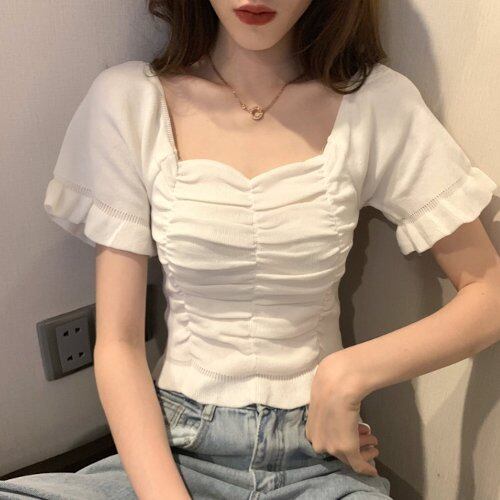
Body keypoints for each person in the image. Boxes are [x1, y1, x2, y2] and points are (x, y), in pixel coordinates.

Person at [2, 1, 499, 499]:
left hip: (317, 457)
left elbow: (489, 291)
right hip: (173, 450)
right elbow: (119, 343)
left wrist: (349, 373)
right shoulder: (130, 100)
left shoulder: (376, 103)